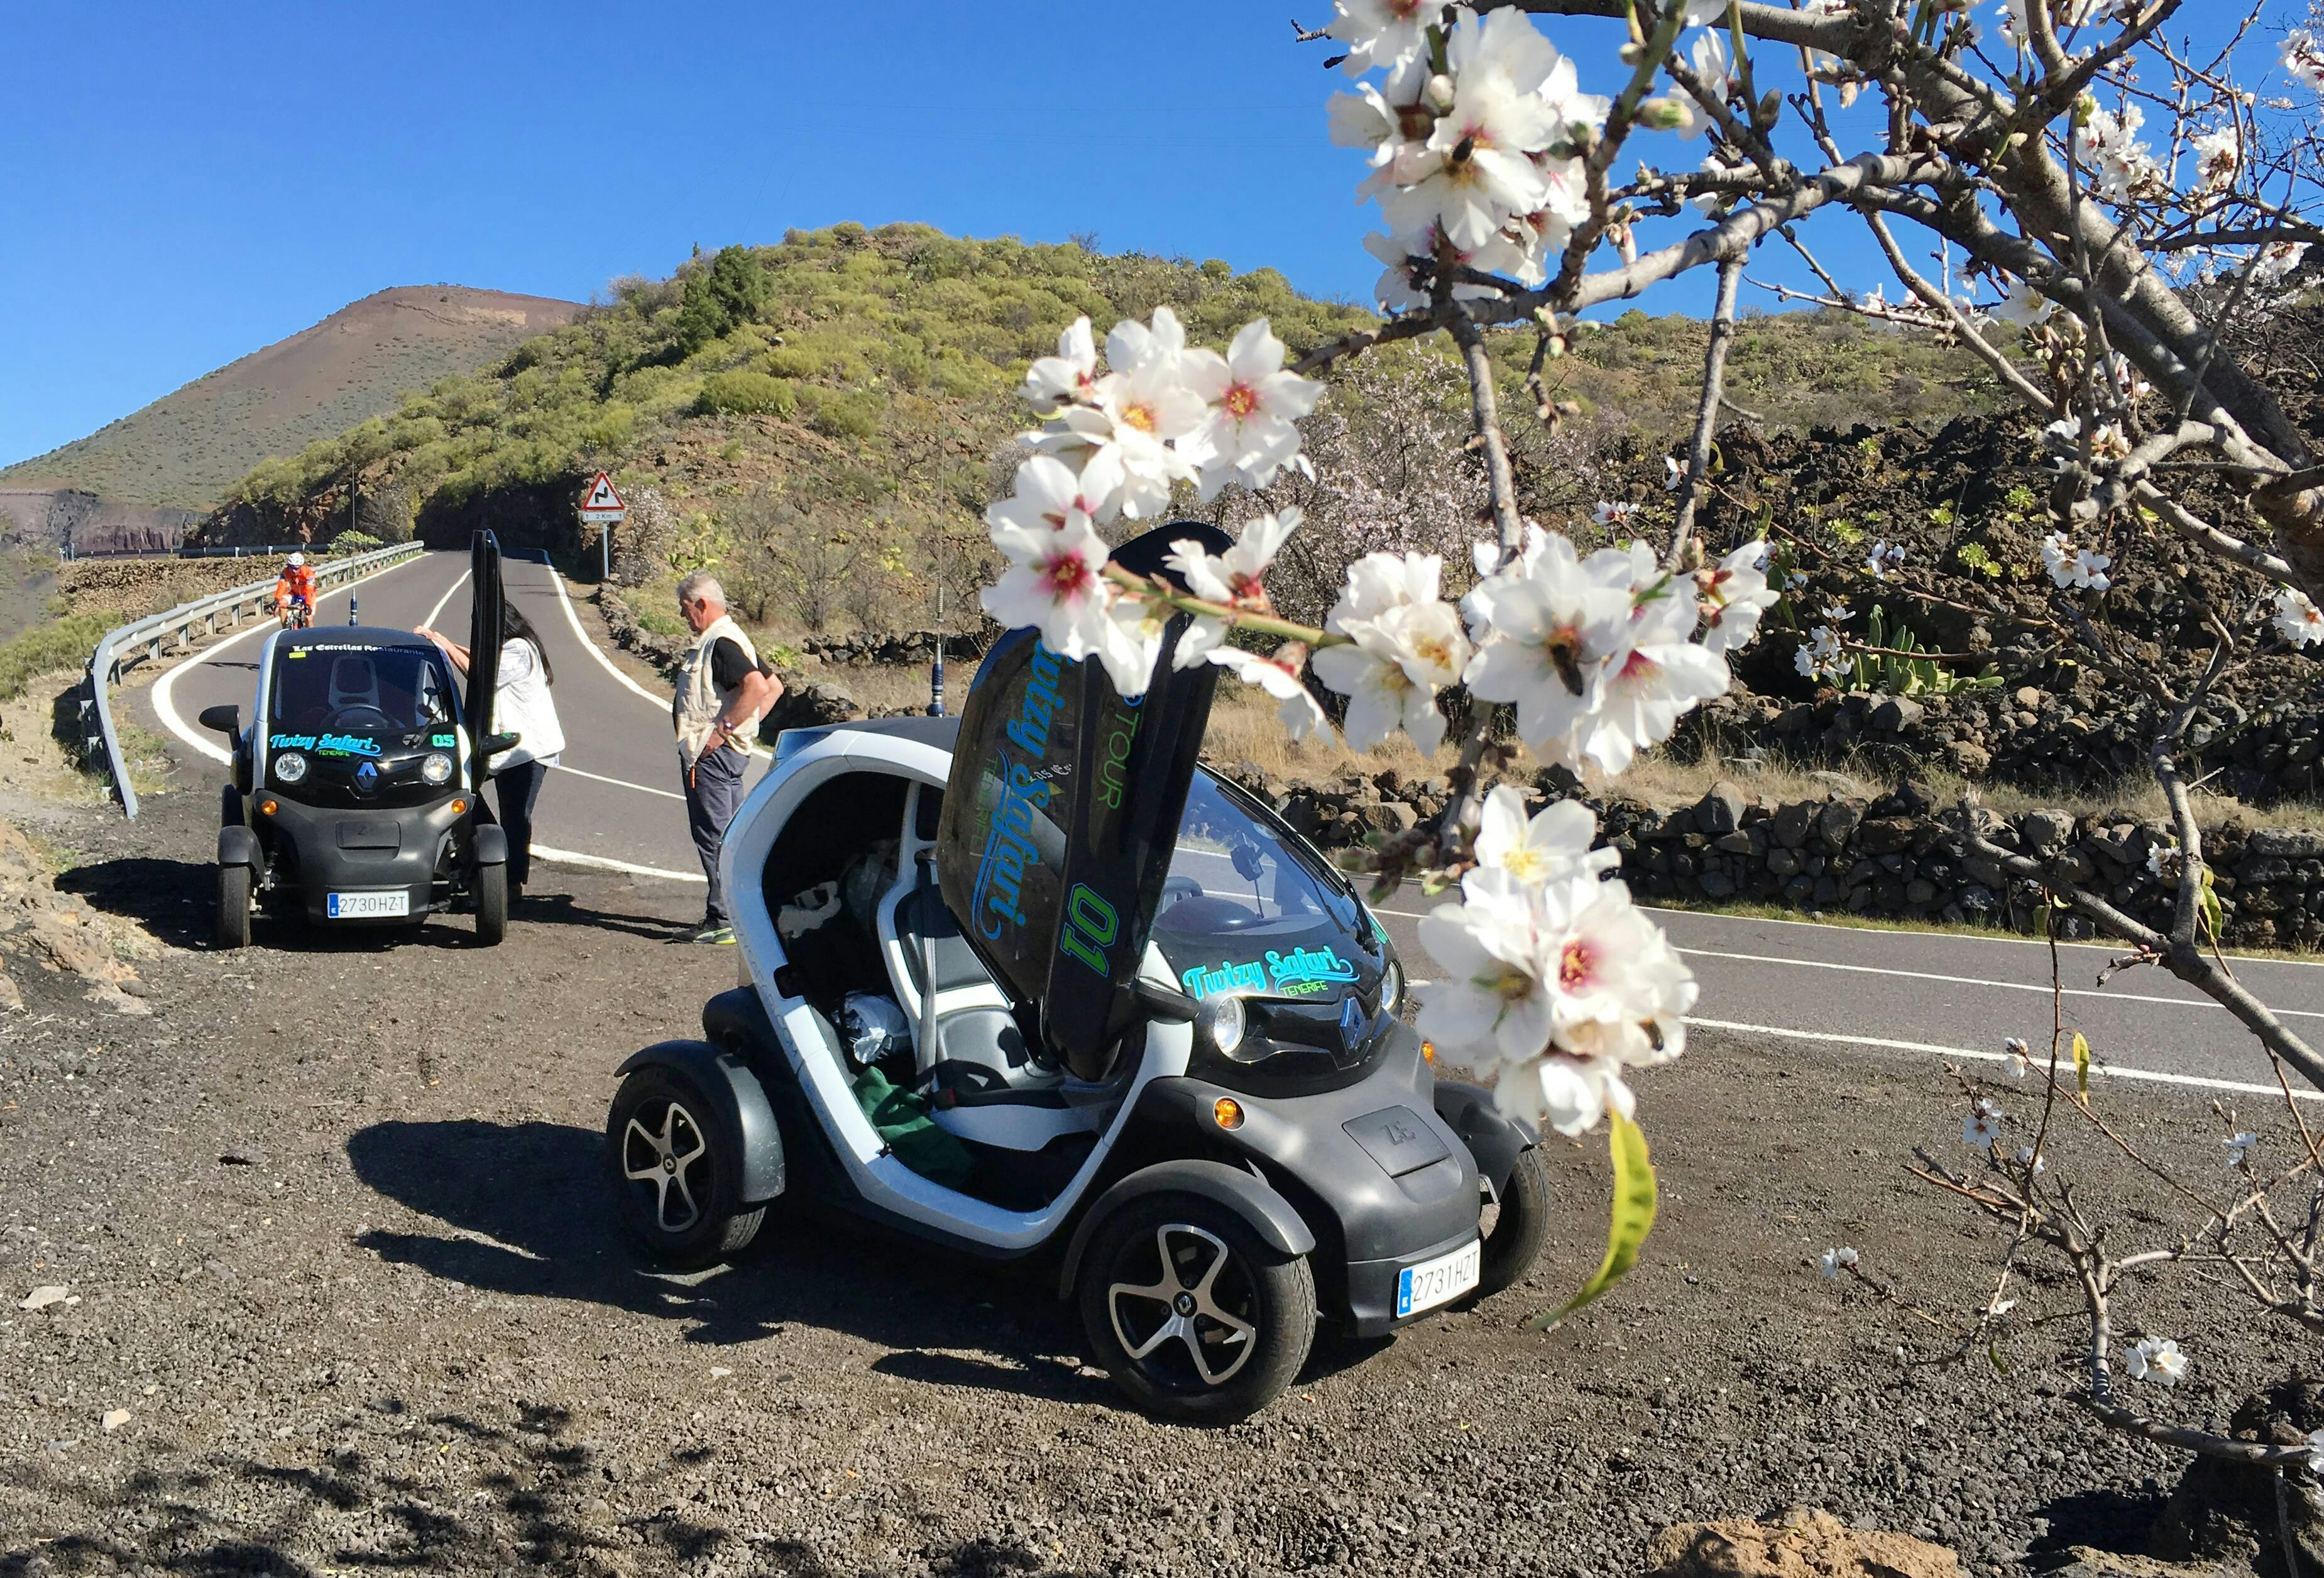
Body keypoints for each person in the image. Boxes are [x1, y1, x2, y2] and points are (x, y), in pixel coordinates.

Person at [416, 600, 566, 899]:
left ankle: (509, 883)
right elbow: (485, 660)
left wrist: (443, 645)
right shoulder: (517, 648)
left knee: (516, 816)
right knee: (465, 791)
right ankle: (491, 865)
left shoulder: (521, 649)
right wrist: (442, 641)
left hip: (526, 751)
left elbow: (484, 674)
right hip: (509, 750)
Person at [672, 571, 779, 944]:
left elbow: (758, 686)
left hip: (713, 758)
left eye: (686, 608)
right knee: (732, 835)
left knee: (714, 836)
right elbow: (773, 686)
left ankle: (722, 918)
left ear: (701, 604)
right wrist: (746, 726)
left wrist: (724, 731)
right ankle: (739, 915)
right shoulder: (732, 637)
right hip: (728, 756)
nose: (684, 617)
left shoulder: (719, 642)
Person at [274, 552, 317, 628]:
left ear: (301, 566)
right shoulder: (286, 572)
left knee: (308, 619)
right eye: (291, 567)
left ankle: (311, 636)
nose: (294, 571)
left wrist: (309, 605)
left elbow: (309, 590)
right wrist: (277, 600)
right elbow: (282, 586)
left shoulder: (308, 574)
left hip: (308, 596)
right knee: (281, 604)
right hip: (294, 594)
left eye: (296, 568)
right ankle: (285, 629)